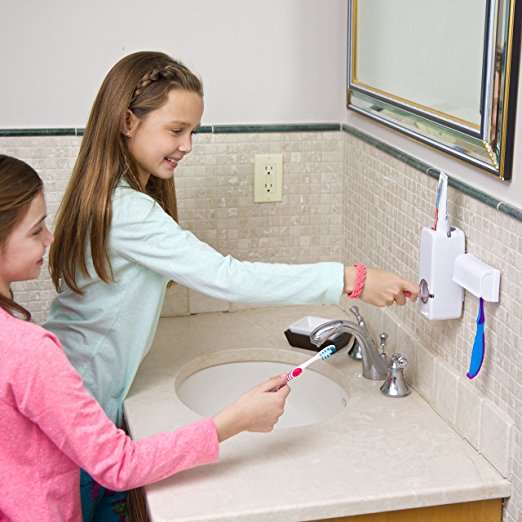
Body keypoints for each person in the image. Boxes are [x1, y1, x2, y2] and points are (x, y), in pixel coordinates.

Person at [44, 51, 420, 520]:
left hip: (73, 399)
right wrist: (349, 279)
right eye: (176, 130)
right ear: (126, 121)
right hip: (75, 413)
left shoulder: (111, 194)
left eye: (192, 132)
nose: (187, 145)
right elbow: (227, 279)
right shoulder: (129, 212)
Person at [0, 154, 291, 522]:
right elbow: (119, 465)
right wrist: (236, 419)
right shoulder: (28, 351)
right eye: (36, 229)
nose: (50, 238)